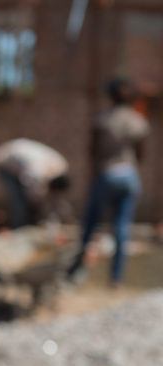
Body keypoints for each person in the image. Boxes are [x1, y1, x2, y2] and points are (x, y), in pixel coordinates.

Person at [67, 77, 150, 286]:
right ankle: (116, 277)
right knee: (121, 227)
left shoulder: (102, 120)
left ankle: (74, 270)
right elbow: (140, 154)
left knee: (90, 223)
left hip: (106, 174)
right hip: (129, 175)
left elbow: (92, 152)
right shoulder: (137, 121)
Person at [0, 138, 72, 228]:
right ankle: (19, 227)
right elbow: (29, 189)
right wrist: (36, 202)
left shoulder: (61, 166)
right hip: (5, 161)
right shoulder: (36, 171)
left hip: (21, 156)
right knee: (20, 201)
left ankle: (28, 223)